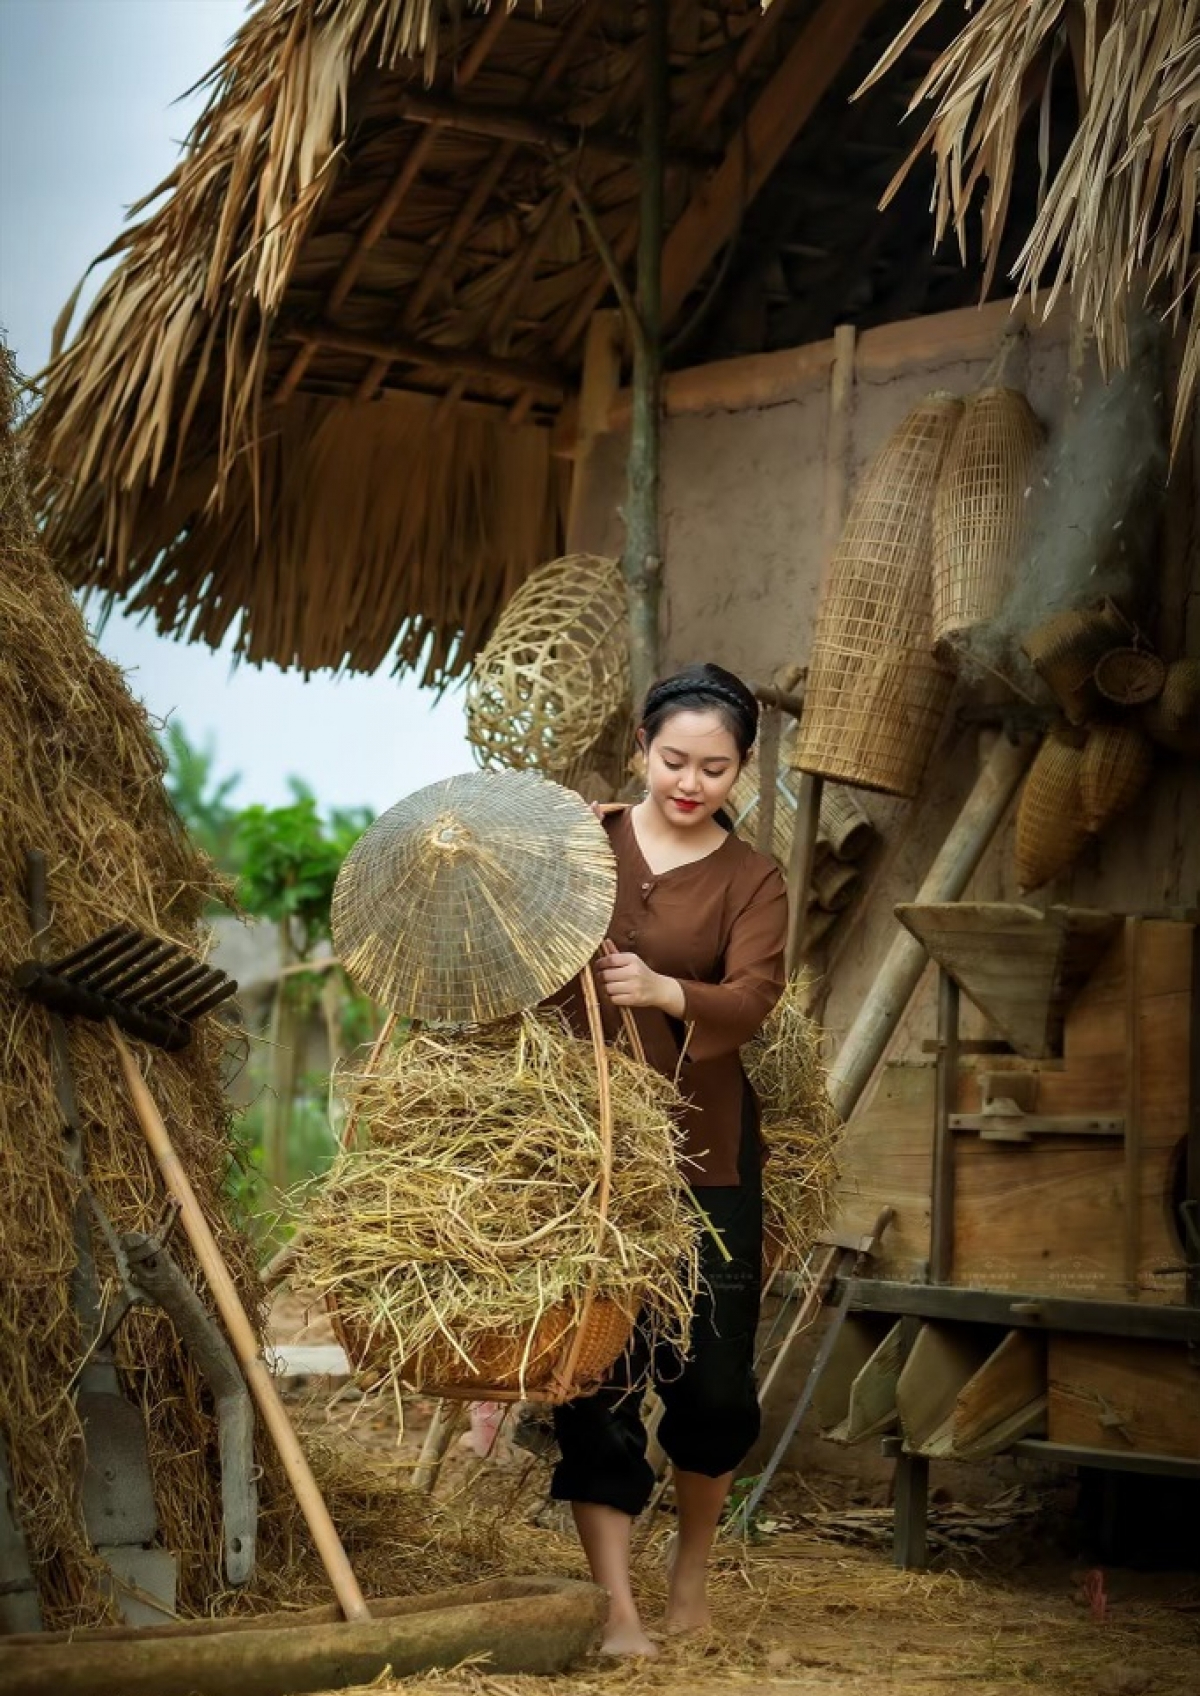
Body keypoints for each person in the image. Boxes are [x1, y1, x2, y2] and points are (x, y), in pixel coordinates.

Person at [551, 661, 788, 1657]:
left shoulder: (752, 879)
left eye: (715, 767)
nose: (690, 782)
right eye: (673, 758)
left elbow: (755, 997)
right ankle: (615, 1606)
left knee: (716, 1381)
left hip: (704, 1152)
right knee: (593, 1374)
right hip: (575, 1152)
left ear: (741, 772)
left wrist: (664, 989)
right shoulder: (579, 844)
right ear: (641, 747)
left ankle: (691, 1568)